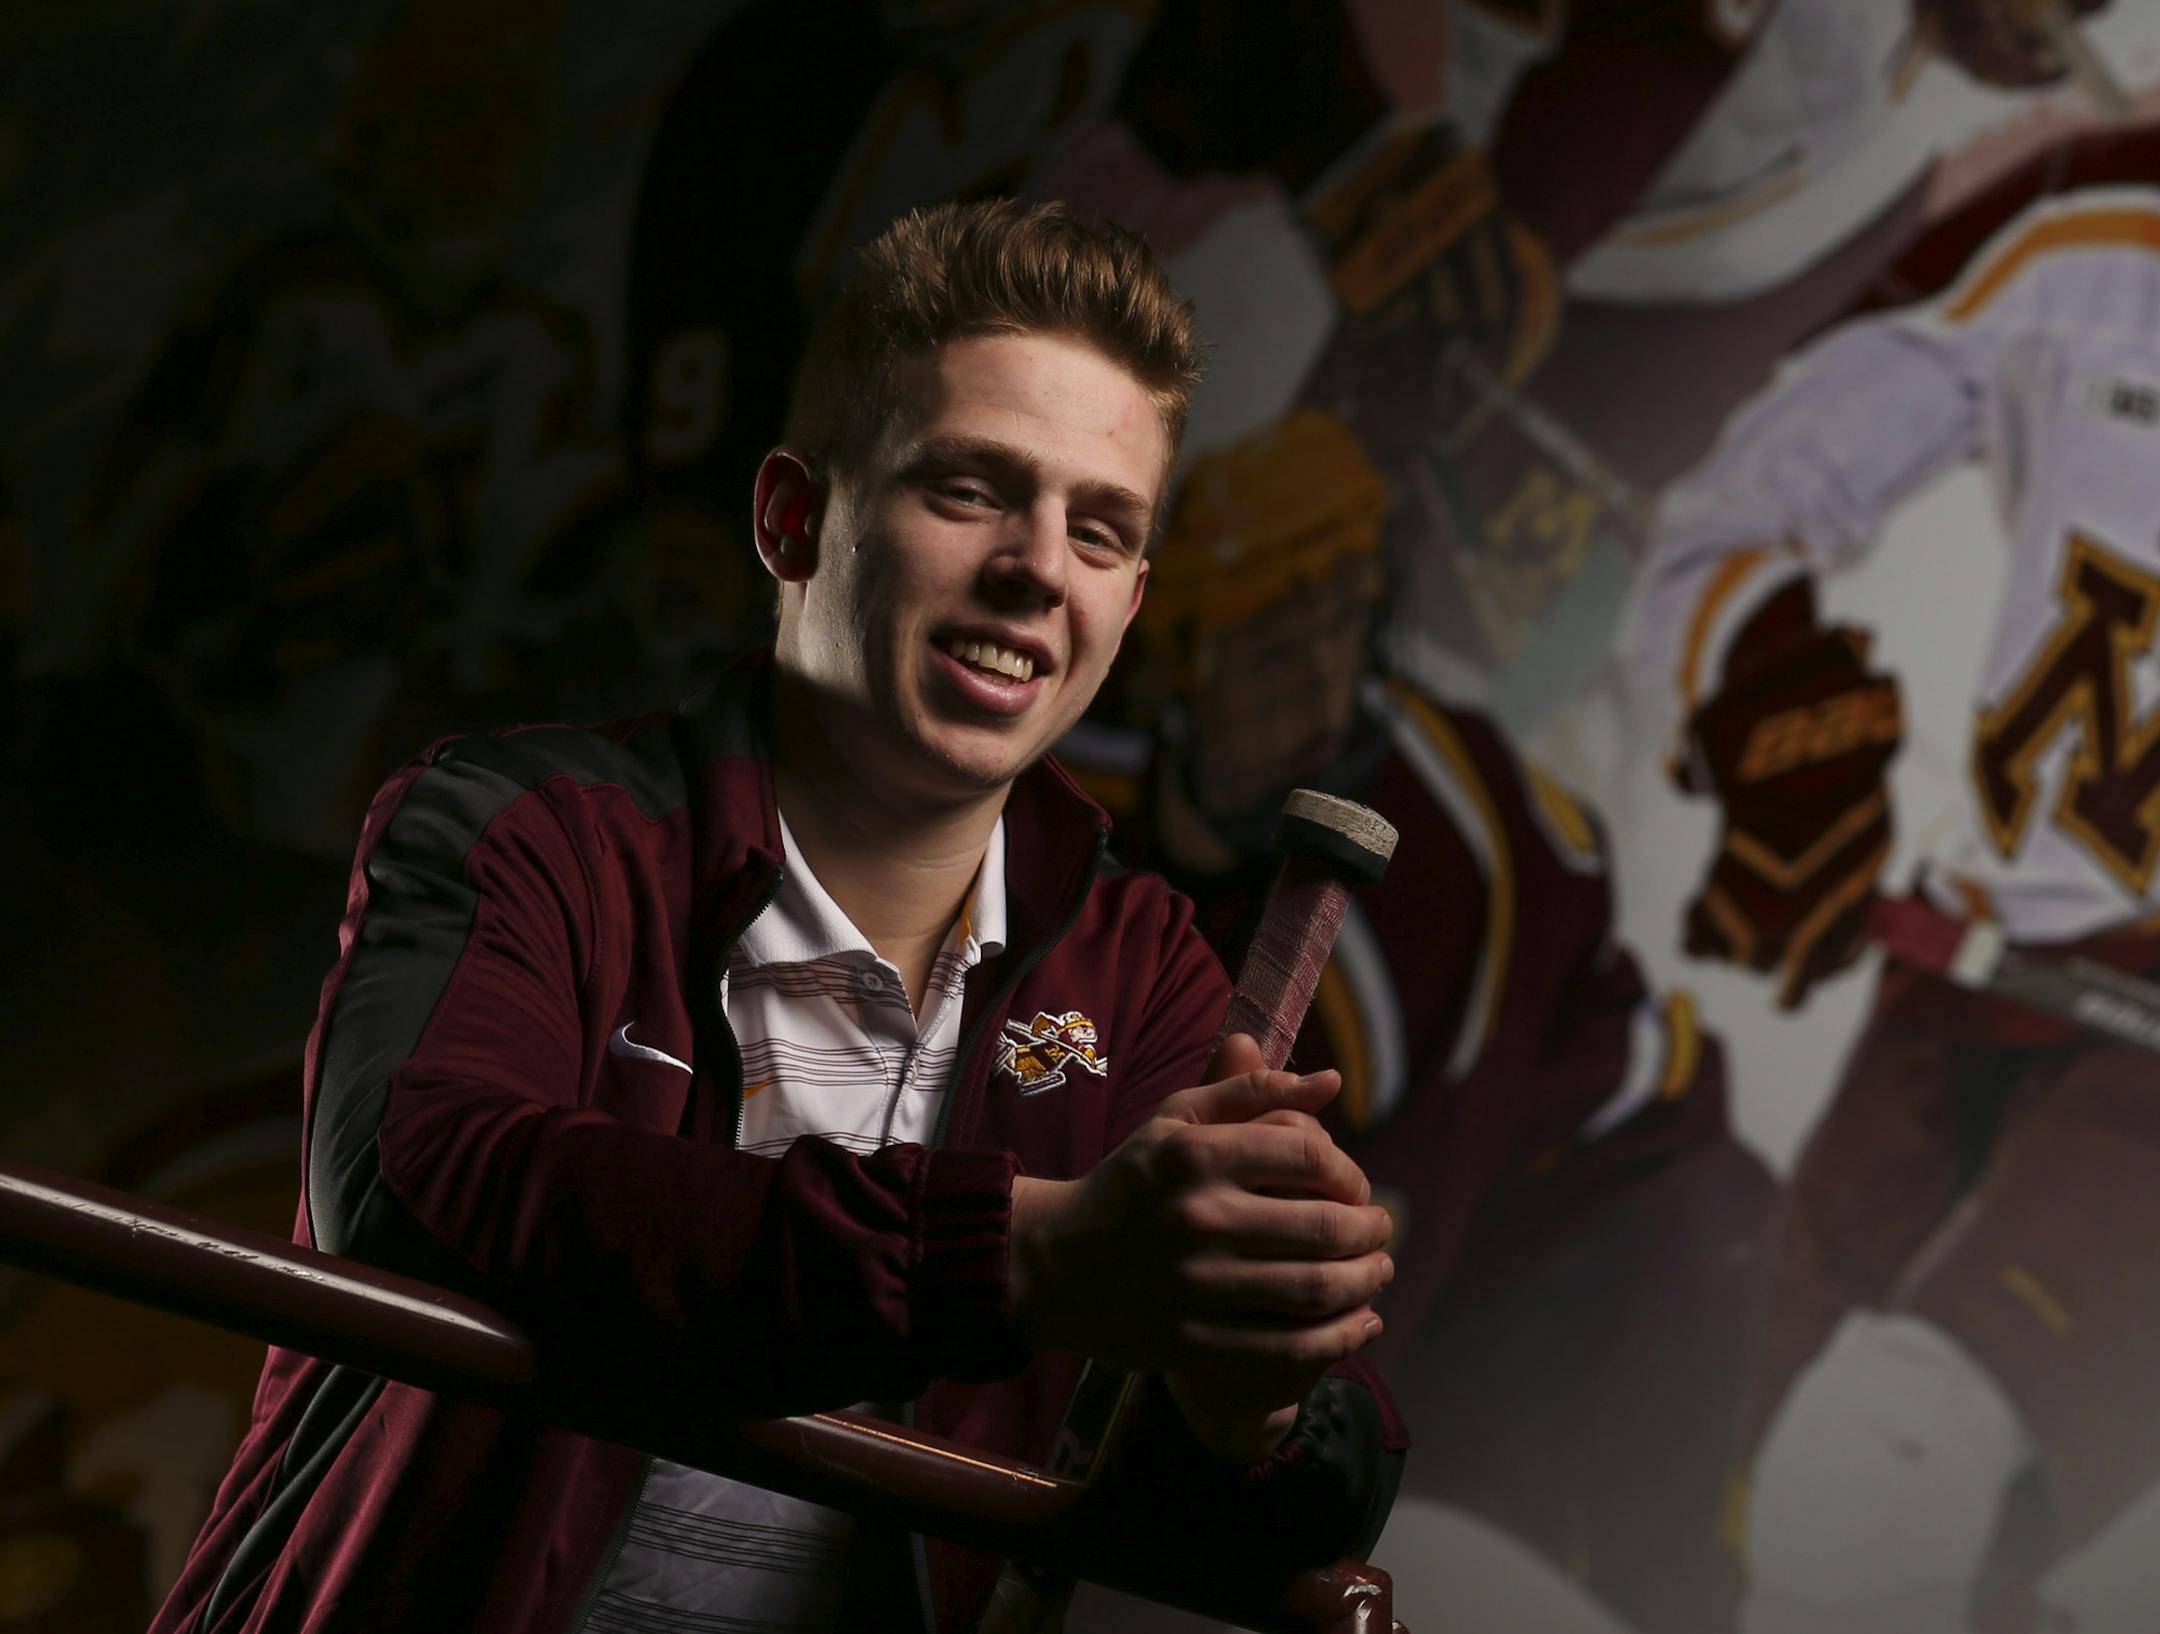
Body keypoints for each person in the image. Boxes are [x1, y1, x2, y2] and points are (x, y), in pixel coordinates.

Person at [149, 199, 1405, 1634]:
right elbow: (423, 1183)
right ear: (792, 519)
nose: (1038, 565)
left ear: (1130, 602)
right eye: (971, 489)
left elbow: (1319, 1478)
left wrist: (1251, 1397)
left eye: (1100, 529)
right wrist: (1022, 1253)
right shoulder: (525, 827)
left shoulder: (1145, 974)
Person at [1063, 405, 1774, 1634]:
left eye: (1342, 619)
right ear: (1174, 647)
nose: (1320, 671)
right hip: (1481, 1204)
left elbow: (1382, 1244)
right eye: (1273, 632)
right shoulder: (1087, 778)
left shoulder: (1432, 867)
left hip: (1604, 1221)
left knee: (1483, 1557)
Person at [1624, 181, 2160, 1633]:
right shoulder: (2092, 253)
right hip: (1975, 977)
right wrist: (1772, 719)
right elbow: (1741, 507)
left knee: (1873, 1475)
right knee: (1794, 1543)